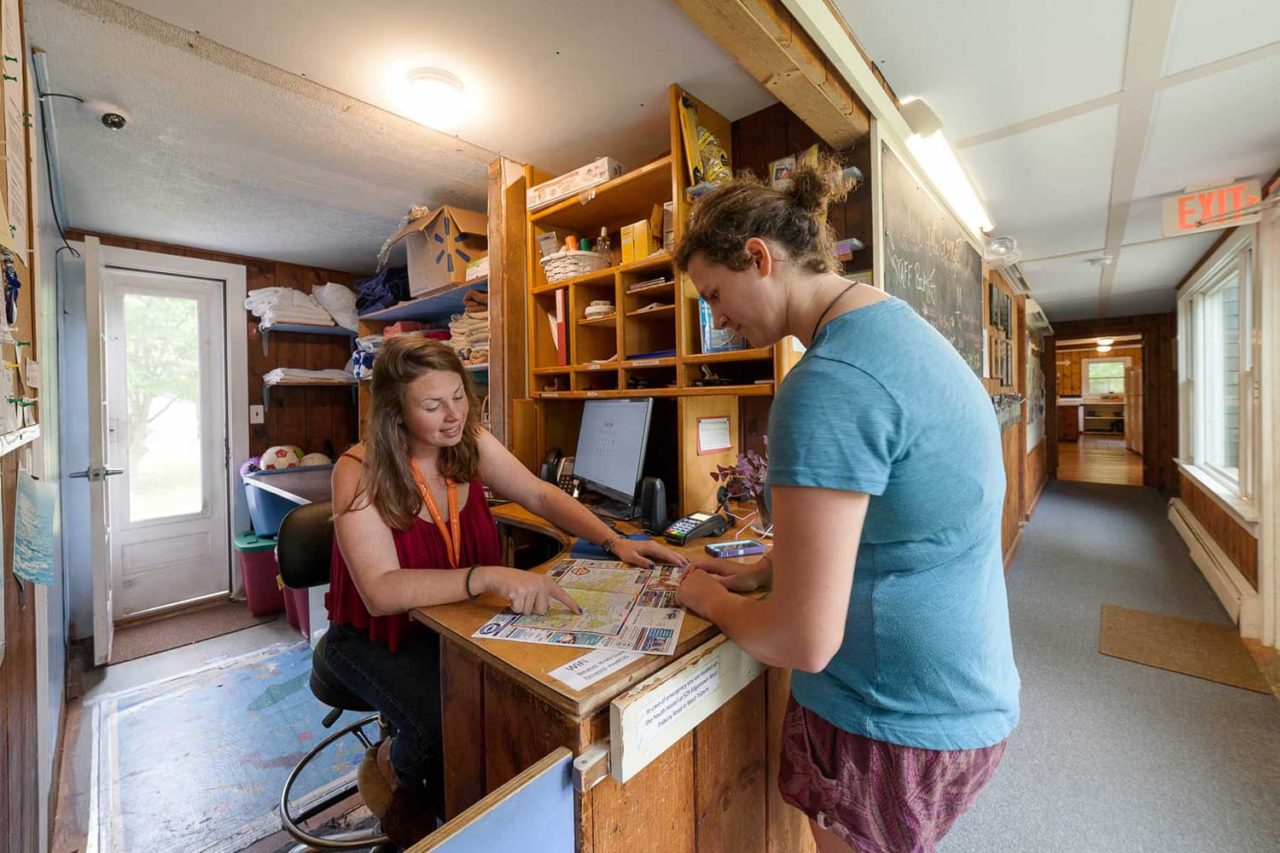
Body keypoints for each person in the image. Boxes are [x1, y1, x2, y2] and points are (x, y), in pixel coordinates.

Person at [673, 160, 1019, 853]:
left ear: (759, 258)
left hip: (888, 721)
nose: (716, 318)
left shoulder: (826, 382)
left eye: (714, 294)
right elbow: (891, 516)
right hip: (965, 692)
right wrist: (768, 566)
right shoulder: (896, 330)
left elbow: (802, 639)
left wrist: (704, 597)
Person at [324, 335, 684, 844]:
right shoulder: (356, 471)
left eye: (458, 396)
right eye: (432, 405)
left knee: (512, 708)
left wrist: (613, 540)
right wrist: (487, 576)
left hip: (460, 621)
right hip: (378, 636)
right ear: (395, 413)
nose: (452, 416)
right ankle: (395, 772)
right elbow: (381, 592)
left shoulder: (466, 441)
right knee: (442, 724)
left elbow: (537, 493)